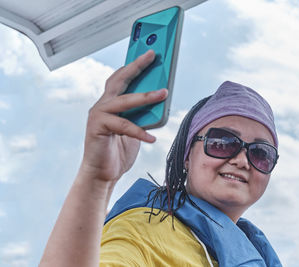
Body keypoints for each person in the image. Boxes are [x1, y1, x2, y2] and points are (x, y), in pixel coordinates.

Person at [39, 50, 282, 267]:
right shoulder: (142, 232)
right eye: (222, 143)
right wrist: (96, 179)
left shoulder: (254, 253)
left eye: (261, 153)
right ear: (187, 156)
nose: (242, 160)